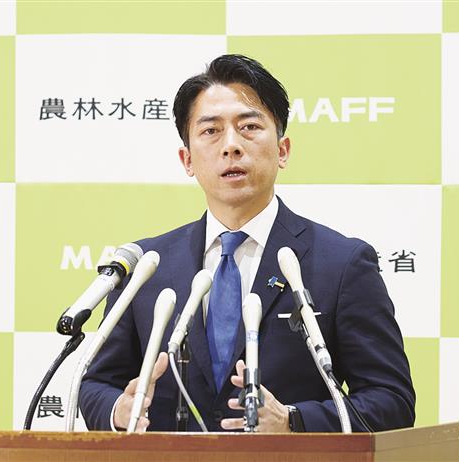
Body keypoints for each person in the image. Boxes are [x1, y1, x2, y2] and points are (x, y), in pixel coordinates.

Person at [79, 54, 415, 433]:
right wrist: (119, 410)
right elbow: (95, 384)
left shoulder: (341, 264)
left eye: (249, 127)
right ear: (187, 160)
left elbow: (392, 400)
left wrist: (294, 421)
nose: (231, 146)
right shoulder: (146, 268)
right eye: (211, 131)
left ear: (283, 150)